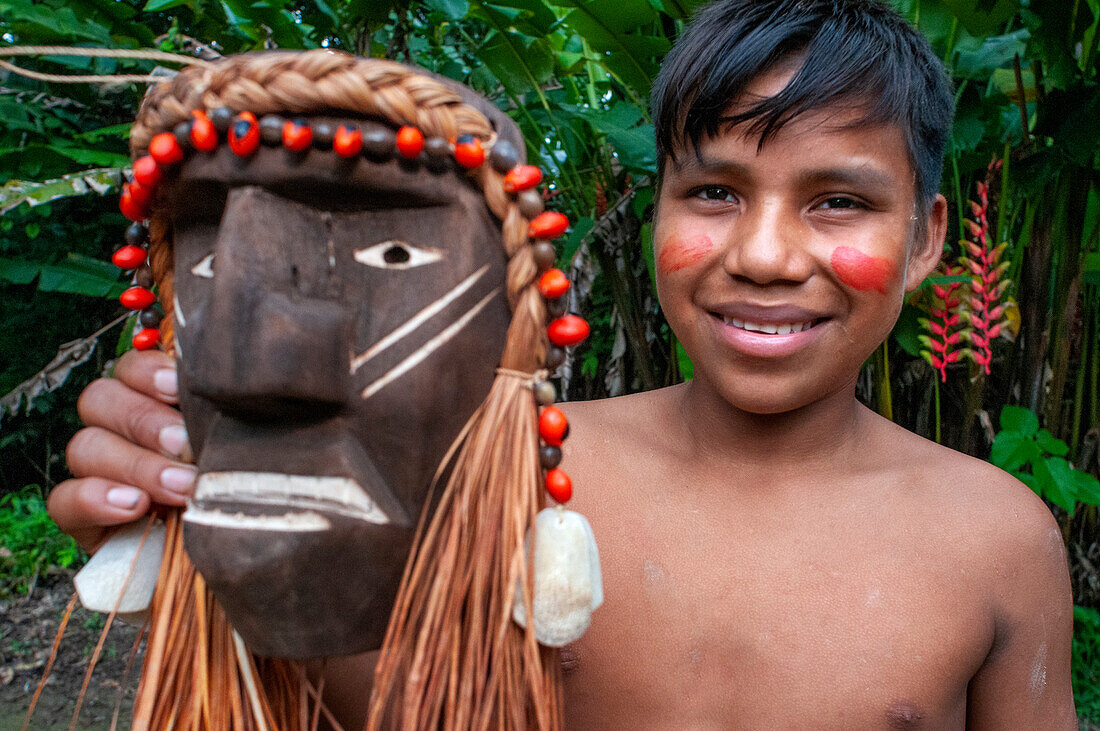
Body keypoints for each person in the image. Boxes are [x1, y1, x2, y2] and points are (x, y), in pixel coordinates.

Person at [49, 0, 1077, 727]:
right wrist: (198, 511)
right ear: (657, 206)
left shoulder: (993, 538)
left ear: (929, 234)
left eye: (837, 201)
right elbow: (322, 693)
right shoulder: (494, 473)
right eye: (713, 192)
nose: (762, 255)